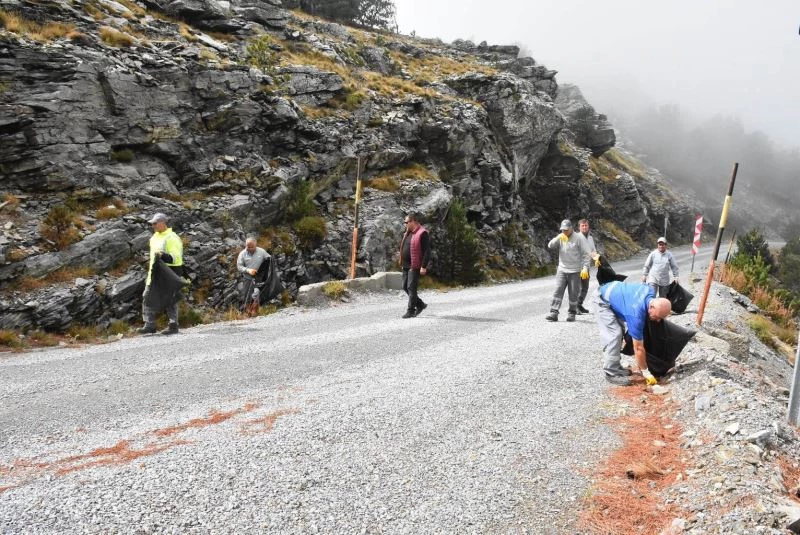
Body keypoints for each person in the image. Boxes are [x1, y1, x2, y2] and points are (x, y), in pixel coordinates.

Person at [595, 280, 672, 386]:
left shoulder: (650, 291)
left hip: (615, 293)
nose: (658, 320)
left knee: (620, 331)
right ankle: (611, 372)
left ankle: (616, 367)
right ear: (652, 307)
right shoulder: (635, 314)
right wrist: (646, 372)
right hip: (602, 300)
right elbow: (638, 348)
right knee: (615, 335)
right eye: (657, 316)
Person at [138, 213, 184, 335]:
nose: (153, 226)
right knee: (147, 297)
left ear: (163, 223)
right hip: (154, 274)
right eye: (152, 223)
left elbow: (177, 259)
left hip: (168, 274)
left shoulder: (172, 238)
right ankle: (150, 325)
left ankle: (173, 325)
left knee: (170, 300)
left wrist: (163, 255)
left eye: (155, 223)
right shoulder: (154, 238)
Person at [545, 219, 591, 322]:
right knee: (558, 290)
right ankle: (554, 312)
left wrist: (585, 267)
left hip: (575, 271)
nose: (564, 231)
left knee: (573, 293)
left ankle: (572, 313)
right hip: (562, 269)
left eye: (566, 230)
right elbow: (550, 245)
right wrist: (558, 237)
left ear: (571, 228)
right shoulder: (561, 237)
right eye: (562, 230)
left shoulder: (579, 238)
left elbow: (586, 254)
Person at [399, 212, 431, 319]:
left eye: (406, 222)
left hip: (415, 265)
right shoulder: (407, 232)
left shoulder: (422, 233)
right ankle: (420, 304)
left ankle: (411, 310)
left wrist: (423, 266)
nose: (405, 224)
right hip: (405, 265)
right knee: (405, 287)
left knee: (411, 288)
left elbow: (427, 251)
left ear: (413, 221)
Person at [237, 237, 272, 311]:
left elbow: (270, 260)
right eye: (247, 246)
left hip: (259, 279)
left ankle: (255, 312)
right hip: (247, 279)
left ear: (256, 245)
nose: (249, 248)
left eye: (251, 247)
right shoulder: (242, 254)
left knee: (257, 294)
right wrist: (248, 270)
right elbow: (239, 266)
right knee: (247, 297)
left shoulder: (262, 252)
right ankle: (246, 312)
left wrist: (266, 273)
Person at [576, 218, 599, 314]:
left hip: (587, 267)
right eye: (582, 226)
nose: (584, 227)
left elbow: (593, 251)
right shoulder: (576, 237)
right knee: (577, 288)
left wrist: (596, 258)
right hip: (577, 267)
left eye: (586, 225)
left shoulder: (590, 238)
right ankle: (575, 307)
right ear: (579, 227)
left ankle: (579, 305)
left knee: (585, 288)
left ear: (588, 226)